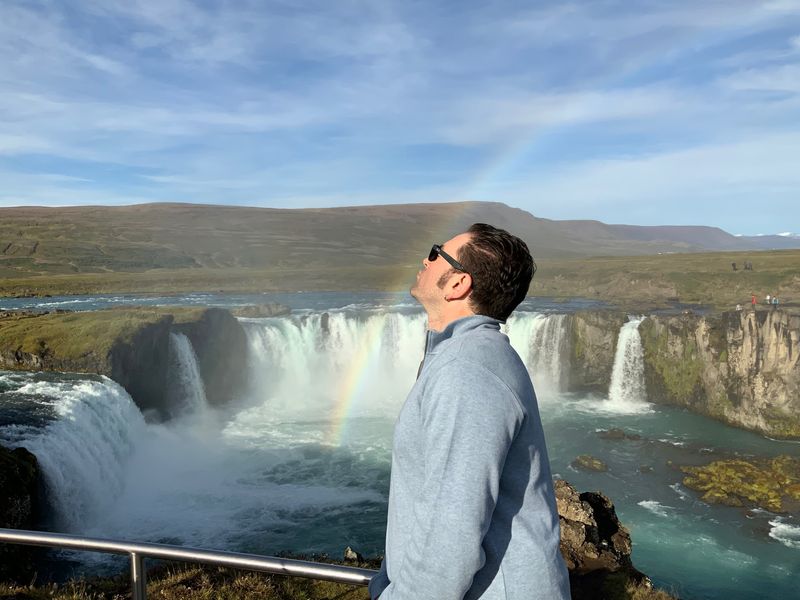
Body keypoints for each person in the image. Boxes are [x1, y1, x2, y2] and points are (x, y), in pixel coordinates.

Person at [369, 223, 570, 600]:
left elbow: (452, 530)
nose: (423, 260)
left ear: (458, 284)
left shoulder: (467, 369)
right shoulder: (466, 357)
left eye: (435, 253)